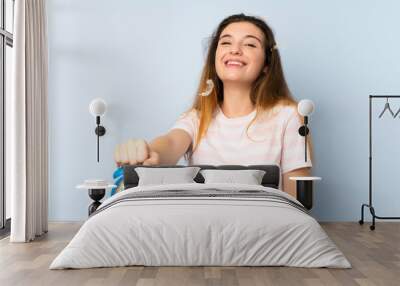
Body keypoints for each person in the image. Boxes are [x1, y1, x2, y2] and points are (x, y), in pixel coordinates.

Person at [114, 13, 313, 197]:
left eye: (250, 45)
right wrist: (147, 152)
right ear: (215, 58)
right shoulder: (196, 118)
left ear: (267, 65)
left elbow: (297, 202)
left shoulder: (289, 117)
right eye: (226, 42)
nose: (235, 50)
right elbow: (171, 143)